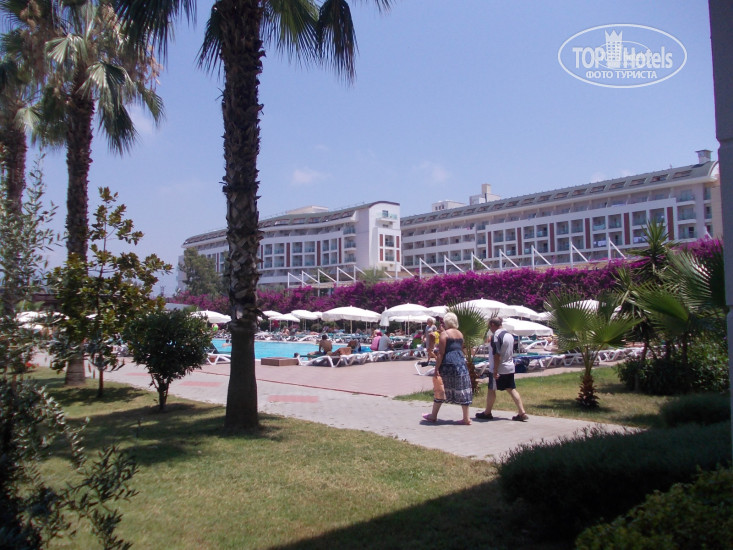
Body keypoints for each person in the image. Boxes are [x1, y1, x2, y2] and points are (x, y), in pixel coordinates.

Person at [421, 313, 473, 425]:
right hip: (460, 362)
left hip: (448, 363)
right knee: (462, 388)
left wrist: (436, 369)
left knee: (440, 388)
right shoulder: (460, 334)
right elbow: (460, 348)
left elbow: (441, 353)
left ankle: (433, 415)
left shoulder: (444, 334)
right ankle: (466, 418)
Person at [475, 317, 529, 422]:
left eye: (489, 326)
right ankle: (522, 412)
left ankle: (487, 412)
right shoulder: (509, 335)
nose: (490, 329)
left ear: (492, 325)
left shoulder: (496, 336)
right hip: (509, 366)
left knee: (491, 389)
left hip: (499, 368)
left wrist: (495, 370)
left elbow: (497, 354)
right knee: (511, 389)